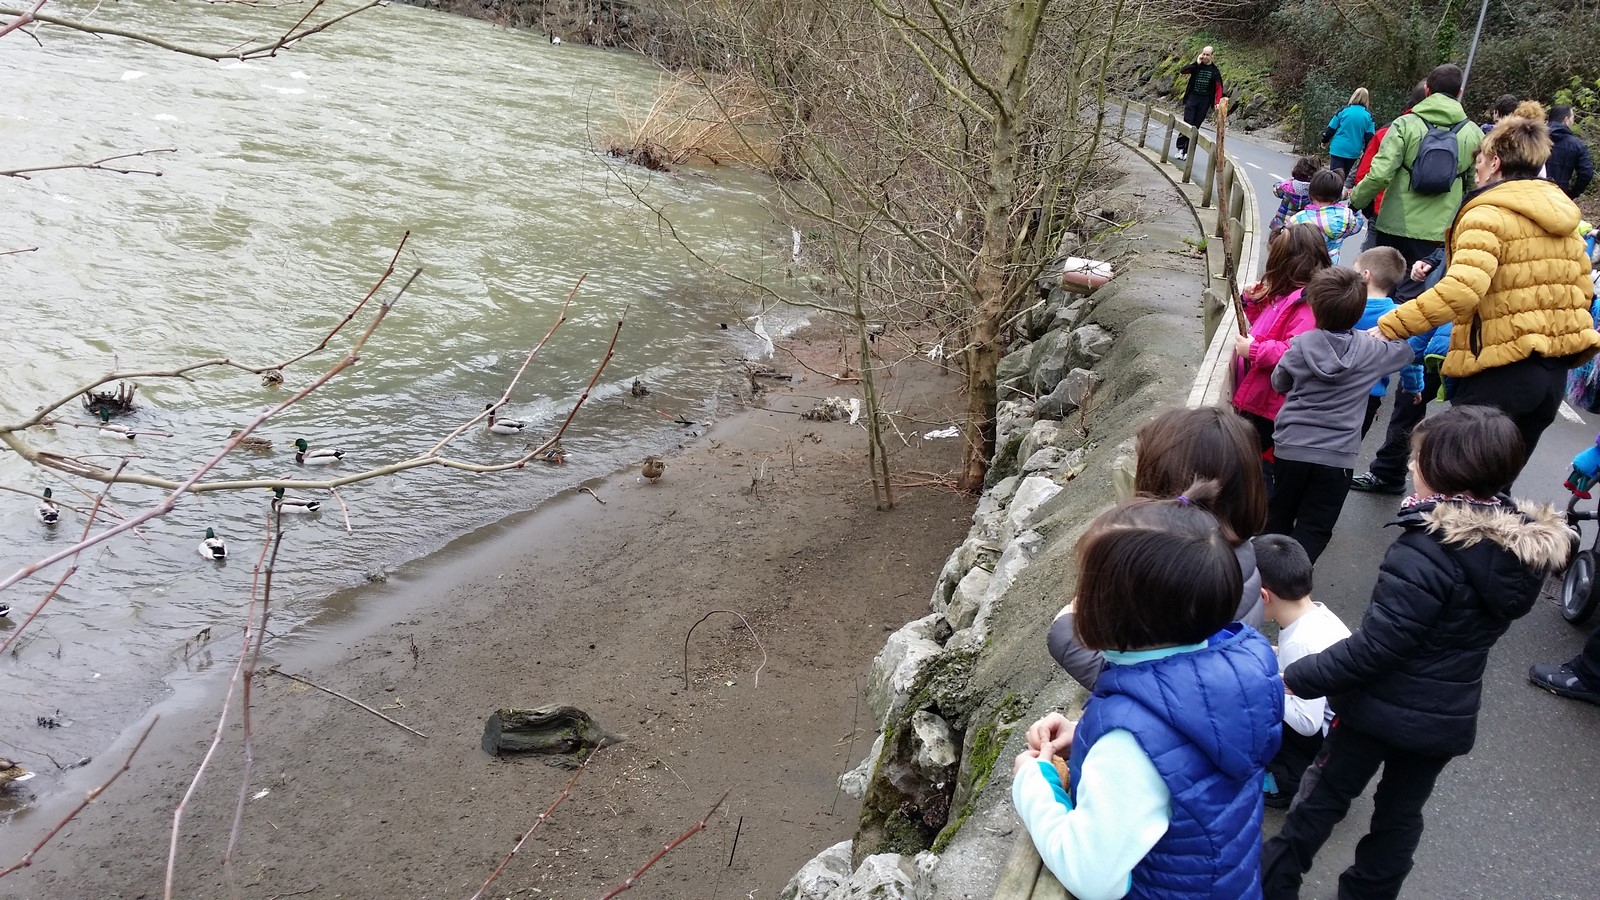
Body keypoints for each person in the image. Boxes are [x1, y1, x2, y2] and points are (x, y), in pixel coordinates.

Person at [1260, 405, 1568, 900]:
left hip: (1375, 710)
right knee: (1399, 818)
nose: (1409, 466)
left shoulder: (1426, 549)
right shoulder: (1516, 550)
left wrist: (1296, 678)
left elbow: (1376, 648)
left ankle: (1273, 883)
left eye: (1418, 459)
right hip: (1446, 715)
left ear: (1447, 470)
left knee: (1324, 796)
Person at [1014, 482, 1282, 900]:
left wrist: (1035, 784)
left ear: (1117, 616)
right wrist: (1084, 735)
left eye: (1087, 591)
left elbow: (1090, 874)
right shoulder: (1238, 663)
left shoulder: (1128, 745)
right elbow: (1179, 756)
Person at [1376, 102, 1600, 467]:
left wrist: (1390, 326)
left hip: (1500, 371)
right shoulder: (1564, 216)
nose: (1476, 170)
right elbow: (1582, 293)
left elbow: (1461, 289)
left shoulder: (1487, 213)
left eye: (1479, 161)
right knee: (1495, 489)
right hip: (1551, 378)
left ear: (1495, 162)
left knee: (1458, 481)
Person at [1048, 405, 1269, 689]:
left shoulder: (1179, 575)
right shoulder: (1235, 550)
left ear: (1167, 484)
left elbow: (1159, 687)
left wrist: (1065, 633)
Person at [1265, 267, 1413, 563]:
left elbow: (1279, 383)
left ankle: (1265, 571)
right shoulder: (1371, 350)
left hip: (1291, 446)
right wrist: (1383, 332)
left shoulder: (1300, 345)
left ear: (1314, 306)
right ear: (1360, 311)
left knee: (1278, 514)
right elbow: (1406, 353)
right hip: (1338, 455)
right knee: (1316, 526)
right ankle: (1292, 577)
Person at [1253, 534, 1351, 808]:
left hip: (1323, 739)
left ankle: (1283, 781)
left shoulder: (1301, 642)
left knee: (1248, 700)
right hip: (1344, 728)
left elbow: (1307, 723)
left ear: (1263, 596)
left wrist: (1263, 684)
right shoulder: (1316, 616)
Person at [1350, 64, 1483, 264]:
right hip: (1439, 231)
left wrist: (1356, 201)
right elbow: (1476, 185)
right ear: (1460, 92)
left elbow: (1380, 175)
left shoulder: (1404, 125)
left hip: (1395, 225)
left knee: (1383, 279)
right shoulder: (1474, 133)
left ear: (1427, 90)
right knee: (1422, 282)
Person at [1234, 224, 1333, 465]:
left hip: (1270, 403)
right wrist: (1252, 302)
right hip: (1260, 396)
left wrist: (1254, 350)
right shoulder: (1286, 296)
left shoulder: (1307, 304)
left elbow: (1295, 352)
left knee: (1251, 461)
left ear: (1285, 264)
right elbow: (1268, 330)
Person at [1351, 246, 1415, 437]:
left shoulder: (1345, 303)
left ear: (1365, 275)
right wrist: (1414, 386)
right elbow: (1410, 359)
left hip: (1334, 386)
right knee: (1352, 444)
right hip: (1370, 394)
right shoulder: (1398, 315)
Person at [1287, 168, 1365, 264]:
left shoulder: (1299, 218)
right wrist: (1355, 210)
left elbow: (1287, 238)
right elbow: (1358, 225)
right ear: (1338, 197)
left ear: (1310, 194)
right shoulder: (1346, 217)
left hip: (1305, 264)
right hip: (1330, 265)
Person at [1175, 46, 1223, 160]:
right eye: (1203, 54)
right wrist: (1196, 62)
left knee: (1195, 126)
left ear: (1212, 56)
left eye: (1207, 55)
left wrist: (1217, 102)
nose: (1205, 57)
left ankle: (1187, 151)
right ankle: (1180, 148)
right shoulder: (1196, 67)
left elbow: (1219, 88)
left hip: (1204, 101)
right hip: (1192, 98)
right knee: (1188, 123)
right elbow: (1183, 71)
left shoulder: (1214, 71)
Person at [1323, 88, 1376, 177]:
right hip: (1353, 151)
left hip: (1338, 148)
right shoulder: (1368, 116)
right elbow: (1369, 137)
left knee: (1334, 176)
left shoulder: (1343, 111)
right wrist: (1365, 151)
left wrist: (1324, 140)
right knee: (1344, 175)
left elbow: (1331, 128)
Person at [1547, 104, 1594, 200]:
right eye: (1572, 118)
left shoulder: (1533, 138)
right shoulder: (1577, 144)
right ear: (1566, 120)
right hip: (1559, 196)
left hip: (1532, 194)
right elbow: (1587, 173)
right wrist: (1573, 193)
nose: (1573, 121)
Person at [1271, 156, 1321, 236]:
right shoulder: (1315, 190)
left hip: (1282, 225)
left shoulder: (1287, 186)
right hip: (1301, 230)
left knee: (1277, 241)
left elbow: (1276, 191)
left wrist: (1283, 182)